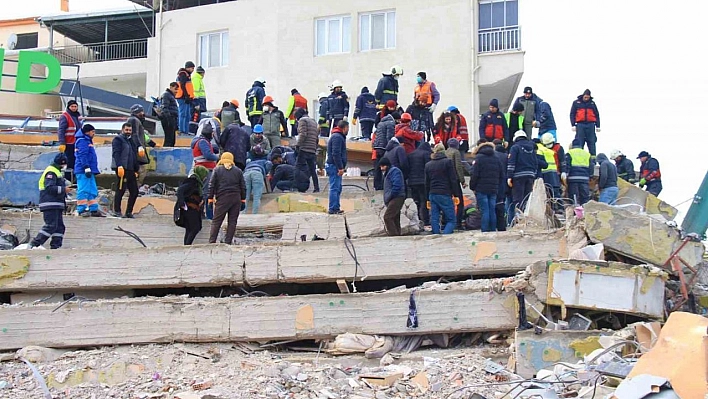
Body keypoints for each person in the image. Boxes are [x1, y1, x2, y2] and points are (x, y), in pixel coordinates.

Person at [29, 153, 70, 249]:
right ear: (61, 163)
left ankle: (56, 246)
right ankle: (34, 244)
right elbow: (49, 188)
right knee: (51, 225)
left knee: (59, 227)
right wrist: (64, 189)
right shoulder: (51, 172)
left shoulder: (57, 171)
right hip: (50, 203)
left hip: (56, 204)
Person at [208, 152, 246, 244]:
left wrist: (210, 198)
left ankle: (212, 242)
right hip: (236, 198)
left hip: (222, 198)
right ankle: (228, 242)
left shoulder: (217, 170)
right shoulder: (238, 171)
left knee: (217, 221)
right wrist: (243, 200)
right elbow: (243, 187)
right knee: (232, 221)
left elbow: (211, 185)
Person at [470, 142, 503, 232]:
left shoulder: (479, 158)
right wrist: (497, 185)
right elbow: (501, 174)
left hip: (481, 188)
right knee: (492, 209)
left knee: (485, 210)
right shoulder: (496, 158)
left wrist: (472, 187)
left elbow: (474, 174)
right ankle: (492, 229)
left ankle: (484, 230)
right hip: (493, 188)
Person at [425, 144, 458, 234]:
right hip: (444, 193)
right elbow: (453, 179)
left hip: (432, 194)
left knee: (434, 218)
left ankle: (436, 235)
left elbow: (427, 183)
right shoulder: (448, 162)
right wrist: (456, 194)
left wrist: (427, 197)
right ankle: (445, 236)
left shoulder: (428, 165)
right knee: (451, 219)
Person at [507, 131, 538, 217]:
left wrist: (509, 176)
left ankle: (519, 218)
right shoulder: (531, 147)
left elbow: (511, 163)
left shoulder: (515, 147)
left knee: (518, 199)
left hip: (518, 176)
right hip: (530, 176)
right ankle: (527, 217)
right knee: (527, 198)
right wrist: (534, 175)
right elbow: (535, 162)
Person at [112, 123, 140, 218]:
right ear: (122, 130)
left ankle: (129, 212)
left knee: (134, 191)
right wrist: (119, 166)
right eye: (126, 130)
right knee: (121, 190)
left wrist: (136, 169)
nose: (128, 132)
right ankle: (117, 211)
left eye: (130, 130)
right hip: (122, 169)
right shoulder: (118, 139)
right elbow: (116, 153)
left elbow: (134, 155)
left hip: (131, 169)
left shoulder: (131, 141)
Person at [176, 165, 208, 245]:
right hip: (189, 209)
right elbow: (180, 190)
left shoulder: (197, 183)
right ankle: (187, 245)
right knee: (195, 228)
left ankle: (186, 246)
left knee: (190, 229)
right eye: (204, 176)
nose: (205, 178)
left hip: (192, 209)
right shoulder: (192, 182)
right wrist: (182, 203)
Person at [74, 123, 101, 217]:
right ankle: (81, 209)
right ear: (87, 132)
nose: (94, 134)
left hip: (88, 169)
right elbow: (82, 155)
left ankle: (93, 209)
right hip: (83, 170)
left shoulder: (86, 140)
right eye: (92, 132)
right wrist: (86, 167)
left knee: (91, 189)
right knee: (83, 189)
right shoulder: (82, 141)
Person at [372, 104, 400, 190]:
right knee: (386, 166)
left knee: (377, 167)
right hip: (384, 147)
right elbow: (389, 137)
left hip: (377, 147)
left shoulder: (381, 122)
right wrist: (390, 147)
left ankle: (376, 185)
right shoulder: (391, 123)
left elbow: (376, 136)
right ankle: (383, 185)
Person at [127, 104, 157, 185]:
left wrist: (151, 143)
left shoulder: (136, 121)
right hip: (135, 152)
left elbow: (142, 135)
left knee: (140, 170)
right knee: (139, 171)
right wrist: (139, 146)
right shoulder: (134, 120)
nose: (143, 114)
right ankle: (133, 189)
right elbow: (134, 135)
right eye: (140, 112)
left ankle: (133, 189)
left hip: (137, 151)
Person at [407, 141, 432, 228]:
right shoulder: (426, 154)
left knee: (416, 201)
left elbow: (408, 167)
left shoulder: (411, 154)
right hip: (422, 182)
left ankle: (417, 220)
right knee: (424, 201)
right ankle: (426, 221)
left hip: (412, 182)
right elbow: (428, 168)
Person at [326, 120, 348, 214]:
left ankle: (335, 207)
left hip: (335, 166)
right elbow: (336, 153)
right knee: (335, 188)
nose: (348, 130)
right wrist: (340, 167)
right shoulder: (337, 137)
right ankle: (333, 208)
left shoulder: (337, 136)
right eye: (347, 128)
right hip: (334, 166)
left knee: (337, 188)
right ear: (344, 128)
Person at [295, 107, 321, 192]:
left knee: (298, 168)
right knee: (312, 170)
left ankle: (296, 186)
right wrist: (315, 147)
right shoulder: (313, 121)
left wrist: (298, 145)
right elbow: (316, 137)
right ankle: (316, 188)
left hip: (304, 149)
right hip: (312, 149)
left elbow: (303, 134)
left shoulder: (302, 121)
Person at [380, 157, 406, 236]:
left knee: (388, 217)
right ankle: (398, 234)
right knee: (395, 218)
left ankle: (394, 236)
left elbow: (397, 186)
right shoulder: (389, 172)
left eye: (382, 166)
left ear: (386, 165)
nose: (381, 169)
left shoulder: (394, 171)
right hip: (394, 197)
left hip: (396, 197)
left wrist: (390, 196)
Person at [57, 99, 83, 180]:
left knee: (76, 162)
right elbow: (61, 130)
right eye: (72, 106)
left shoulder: (77, 116)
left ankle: (74, 179)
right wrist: (62, 142)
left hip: (76, 143)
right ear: (69, 107)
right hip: (68, 143)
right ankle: (68, 180)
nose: (74, 108)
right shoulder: (65, 116)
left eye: (75, 106)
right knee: (69, 163)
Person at [570, 89, 601, 156]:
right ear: (583, 96)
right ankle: (579, 157)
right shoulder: (576, 103)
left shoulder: (592, 103)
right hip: (580, 125)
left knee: (592, 142)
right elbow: (572, 113)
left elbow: (597, 114)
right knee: (580, 141)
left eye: (588, 97)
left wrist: (598, 126)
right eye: (585, 97)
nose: (586, 98)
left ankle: (593, 159)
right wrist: (573, 125)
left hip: (591, 125)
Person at [243, 145, 272, 214]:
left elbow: (246, 162)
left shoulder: (249, 160)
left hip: (246, 173)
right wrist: (266, 172)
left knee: (245, 196)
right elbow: (269, 164)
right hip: (257, 172)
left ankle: (243, 214)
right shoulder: (265, 161)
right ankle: (254, 214)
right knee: (256, 196)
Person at [445, 138, 467, 228]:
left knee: (448, 201)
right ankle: (458, 222)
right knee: (459, 202)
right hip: (455, 180)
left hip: (446, 181)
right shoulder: (456, 152)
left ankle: (447, 221)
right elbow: (458, 167)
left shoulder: (445, 152)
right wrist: (462, 181)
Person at [565, 139, 593, 205]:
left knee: (574, 198)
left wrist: (566, 175)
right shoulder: (587, 154)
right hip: (584, 179)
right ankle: (585, 212)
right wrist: (590, 176)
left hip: (573, 179)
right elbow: (591, 167)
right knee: (585, 198)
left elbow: (567, 165)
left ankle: (575, 213)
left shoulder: (570, 153)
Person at [540, 132, 565, 205]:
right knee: (548, 192)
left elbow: (562, 161)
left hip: (556, 173)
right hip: (546, 173)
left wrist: (563, 171)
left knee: (556, 192)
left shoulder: (558, 148)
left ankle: (559, 207)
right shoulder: (542, 149)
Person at [536, 136, 560, 203]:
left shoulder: (538, 150)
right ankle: (559, 208)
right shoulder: (548, 150)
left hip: (545, 174)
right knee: (555, 194)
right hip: (554, 173)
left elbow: (538, 163)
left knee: (546, 194)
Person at [493, 140, 509, 231]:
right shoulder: (507, 156)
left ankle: (492, 226)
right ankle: (502, 226)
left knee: (492, 206)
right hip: (505, 183)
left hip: (493, 184)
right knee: (502, 205)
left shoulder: (493, 156)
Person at [176, 61, 195, 134]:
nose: (193, 70)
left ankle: (185, 131)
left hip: (186, 97)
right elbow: (183, 85)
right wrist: (187, 96)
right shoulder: (183, 74)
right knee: (183, 114)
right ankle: (182, 130)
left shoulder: (187, 74)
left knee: (187, 115)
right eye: (192, 68)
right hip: (182, 97)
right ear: (188, 67)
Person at [157, 82, 179, 147]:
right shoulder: (167, 95)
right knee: (169, 139)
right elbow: (165, 108)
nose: (176, 91)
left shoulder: (169, 95)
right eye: (175, 89)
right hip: (169, 119)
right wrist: (169, 119)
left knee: (171, 139)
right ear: (171, 87)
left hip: (171, 118)